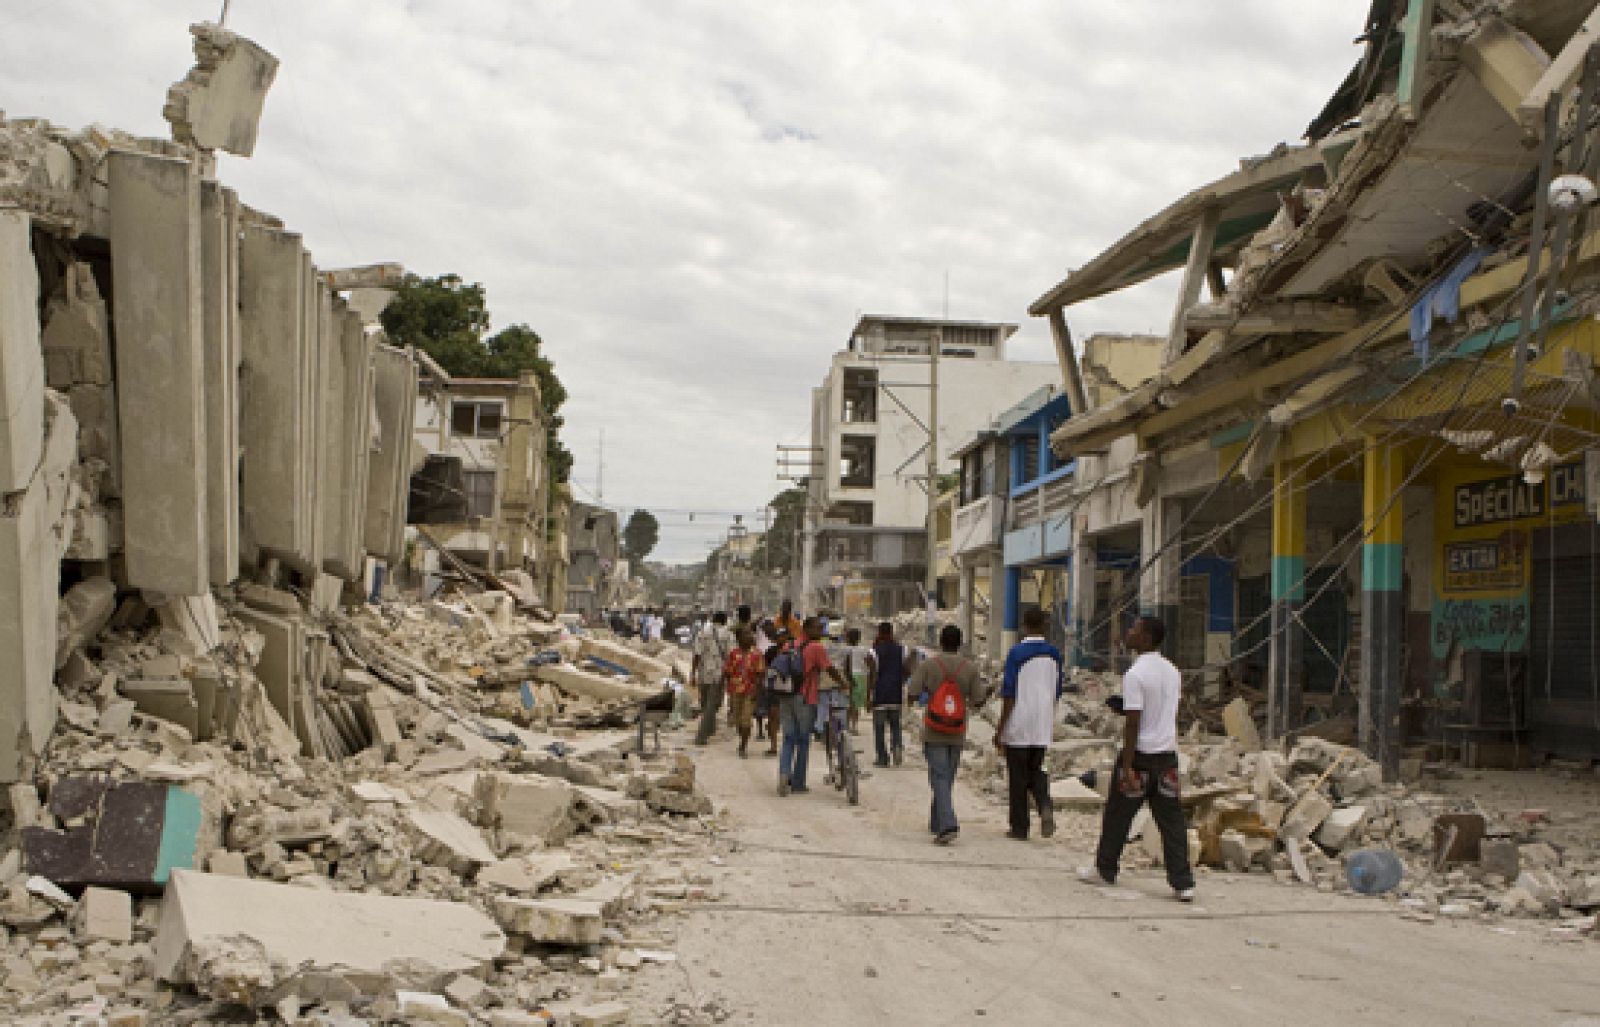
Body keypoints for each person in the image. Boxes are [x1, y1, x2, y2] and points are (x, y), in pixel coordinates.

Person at [1079, 615, 1195, 902]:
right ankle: (1183, 882)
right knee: (1172, 822)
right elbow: (1162, 710)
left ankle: (1105, 868)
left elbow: (1134, 721)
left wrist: (1128, 763)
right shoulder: (1172, 671)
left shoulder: (1135, 674)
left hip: (1140, 756)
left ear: (1145, 638)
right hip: (1167, 756)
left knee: (1118, 815)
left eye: (1134, 629)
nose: (1128, 633)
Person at [907, 624, 984, 844]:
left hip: (934, 729)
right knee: (947, 777)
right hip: (957, 730)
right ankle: (936, 820)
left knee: (938, 776)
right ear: (960, 643)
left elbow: (913, 691)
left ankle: (947, 824)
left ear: (941, 642)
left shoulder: (929, 665)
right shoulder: (970, 668)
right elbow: (978, 700)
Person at [996, 608, 1063, 841]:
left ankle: (1019, 826)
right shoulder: (1054, 654)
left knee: (1018, 776)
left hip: (1019, 721)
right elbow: (1057, 690)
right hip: (1042, 722)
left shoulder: (1017, 653)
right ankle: (1044, 803)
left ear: (1024, 625)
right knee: (1035, 770)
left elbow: (1009, 693)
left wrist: (1000, 728)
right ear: (1044, 626)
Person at [778, 616, 848, 796]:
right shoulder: (816, 647)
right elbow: (829, 668)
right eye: (817, 629)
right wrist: (842, 683)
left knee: (788, 738)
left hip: (785, 696)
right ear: (807, 629)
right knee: (802, 740)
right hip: (805, 697)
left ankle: (784, 775)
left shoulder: (789, 645)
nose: (820, 632)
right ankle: (799, 782)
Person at [869, 622, 910, 767]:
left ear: (879, 632)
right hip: (895, 693)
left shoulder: (874, 652)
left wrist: (869, 696)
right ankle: (897, 746)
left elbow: (872, 675)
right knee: (895, 724)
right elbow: (907, 670)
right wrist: (901, 681)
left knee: (879, 728)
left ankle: (882, 757)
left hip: (880, 694)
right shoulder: (902, 649)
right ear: (891, 632)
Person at [691, 612, 734, 746]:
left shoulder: (702, 632)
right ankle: (701, 736)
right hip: (718, 674)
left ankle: (710, 728)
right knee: (712, 704)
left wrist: (692, 673)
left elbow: (696, 654)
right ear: (724, 621)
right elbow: (730, 656)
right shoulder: (727, 634)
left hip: (703, 672)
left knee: (705, 703)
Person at [723, 627, 765, 757]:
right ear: (739, 638)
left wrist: (757, 691)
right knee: (738, 720)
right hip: (735, 690)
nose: (749, 637)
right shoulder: (733, 654)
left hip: (750, 690)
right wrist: (728, 689)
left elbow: (760, 674)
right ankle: (742, 738)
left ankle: (743, 746)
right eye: (745, 634)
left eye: (750, 634)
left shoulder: (757, 654)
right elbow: (727, 672)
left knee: (746, 719)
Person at [840, 627, 875, 735]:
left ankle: (845, 726)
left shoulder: (844, 649)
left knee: (847, 703)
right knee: (855, 704)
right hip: (860, 677)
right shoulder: (865, 650)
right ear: (859, 638)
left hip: (846, 675)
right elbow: (872, 663)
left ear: (847, 638)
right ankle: (854, 726)